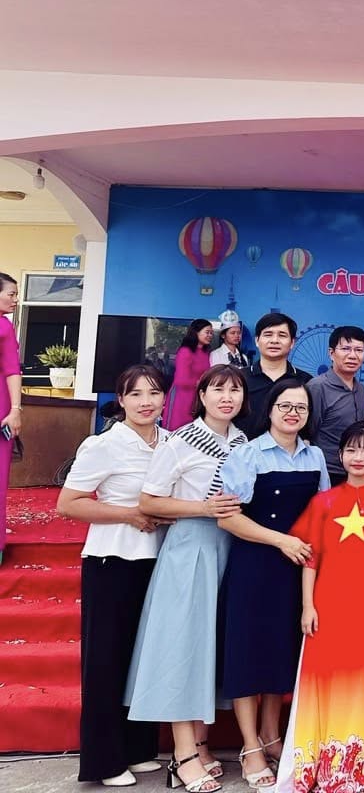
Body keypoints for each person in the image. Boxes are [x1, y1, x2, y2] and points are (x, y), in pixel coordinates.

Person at [125, 365, 248, 793]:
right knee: (182, 648)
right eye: (218, 389)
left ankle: (201, 743)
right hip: (190, 550)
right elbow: (149, 501)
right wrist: (202, 509)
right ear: (202, 395)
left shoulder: (244, 443)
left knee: (209, 649)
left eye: (235, 390)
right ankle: (182, 755)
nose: (227, 398)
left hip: (230, 548)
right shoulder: (179, 442)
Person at [57, 365, 170, 788]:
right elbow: (69, 503)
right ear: (120, 400)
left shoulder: (171, 442)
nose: (145, 402)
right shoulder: (103, 444)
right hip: (112, 560)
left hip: (156, 561)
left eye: (153, 393)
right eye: (135, 394)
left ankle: (138, 748)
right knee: (106, 662)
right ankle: (104, 761)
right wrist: (129, 515)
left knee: (142, 656)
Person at [217, 378, 328, 788]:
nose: (293, 414)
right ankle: (250, 747)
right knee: (248, 655)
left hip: (296, 570)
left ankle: (271, 735)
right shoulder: (247, 454)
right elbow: (228, 517)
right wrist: (281, 540)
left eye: (301, 408)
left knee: (280, 654)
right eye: (285, 406)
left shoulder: (315, 455)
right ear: (270, 410)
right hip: (255, 565)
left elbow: (324, 512)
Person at [276, 422, 364, 793]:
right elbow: (310, 559)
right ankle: (321, 757)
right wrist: (307, 606)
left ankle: (356, 761)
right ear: (340, 455)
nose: (359, 458)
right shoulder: (323, 502)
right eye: (352, 450)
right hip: (327, 604)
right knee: (323, 679)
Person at [306, 326, 364, 487]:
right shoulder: (317, 387)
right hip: (326, 473)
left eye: (359, 350)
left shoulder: (361, 389)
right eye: (345, 349)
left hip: (356, 472)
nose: (352, 355)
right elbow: (306, 433)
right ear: (331, 353)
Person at [244, 313, 311, 425]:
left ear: (292, 342)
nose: (274, 340)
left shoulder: (306, 381)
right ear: (257, 340)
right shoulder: (240, 379)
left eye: (282, 335)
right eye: (268, 334)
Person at [0, 271, 19, 567]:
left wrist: (16, 410)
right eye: (11, 294)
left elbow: (13, 370)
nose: (16, 299)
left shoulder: (4, 326)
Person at [163, 319, 213, 430]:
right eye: (207, 332)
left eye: (211, 333)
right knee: (179, 428)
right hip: (182, 397)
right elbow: (181, 380)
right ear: (196, 332)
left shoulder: (205, 353)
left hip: (198, 397)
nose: (210, 335)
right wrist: (201, 383)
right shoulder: (185, 351)